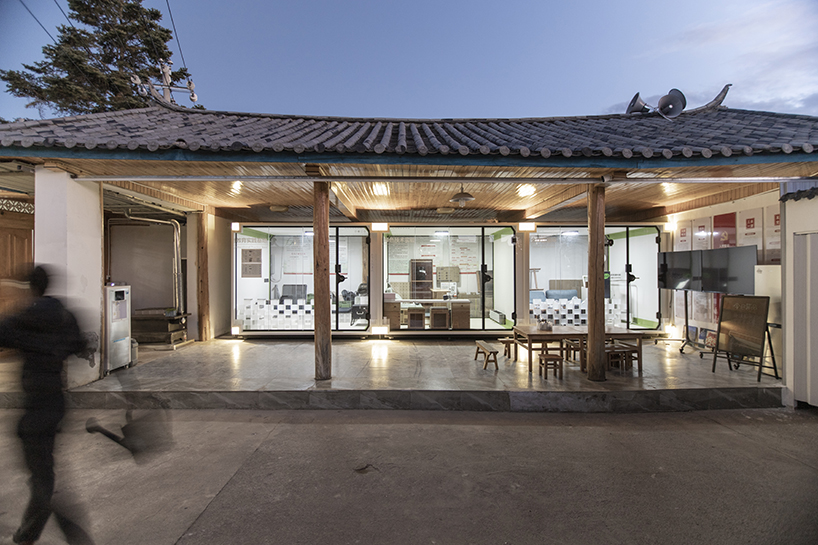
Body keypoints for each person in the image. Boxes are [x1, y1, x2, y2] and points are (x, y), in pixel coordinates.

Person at [0, 265, 94, 545]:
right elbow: (79, 345)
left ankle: (57, 533)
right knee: (43, 471)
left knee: (42, 478)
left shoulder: (23, 317)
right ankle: (28, 533)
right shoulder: (65, 315)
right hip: (55, 403)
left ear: (32, 287)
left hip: (34, 406)